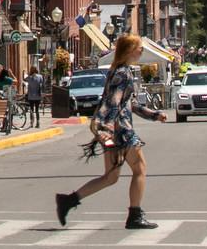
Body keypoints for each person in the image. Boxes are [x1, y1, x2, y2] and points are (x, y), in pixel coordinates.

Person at [56, 32, 166, 231]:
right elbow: (113, 101)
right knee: (140, 169)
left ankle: (68, 201)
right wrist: (104, 126)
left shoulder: (118, 71)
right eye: (139, 47)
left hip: (112, 129)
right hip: (121, 130)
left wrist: (153, 114)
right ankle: (135, 215)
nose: (141, 50)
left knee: (110, 177)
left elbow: (127, 103)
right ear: (130, 50)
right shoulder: (122, 73)